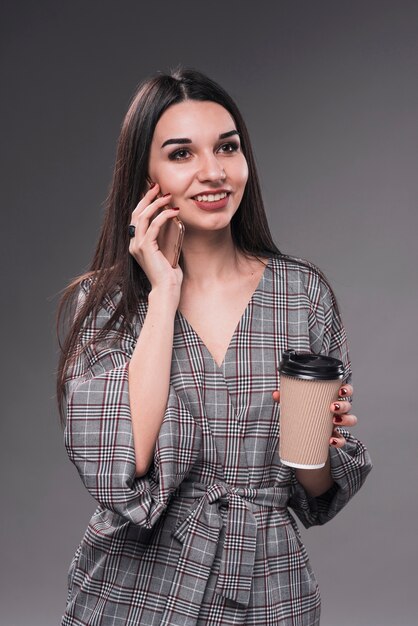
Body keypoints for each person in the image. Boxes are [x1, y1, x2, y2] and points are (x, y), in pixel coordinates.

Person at [56, 66, 372, 626]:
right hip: (139, 596)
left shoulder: (301, 294)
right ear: (144, 175)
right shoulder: (105, 307)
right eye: (181, 154)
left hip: (270, 589)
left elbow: (316, 494)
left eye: (227, 148)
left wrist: (316, 440)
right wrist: (164, 293)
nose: (213, 172)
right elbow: (119, 465)